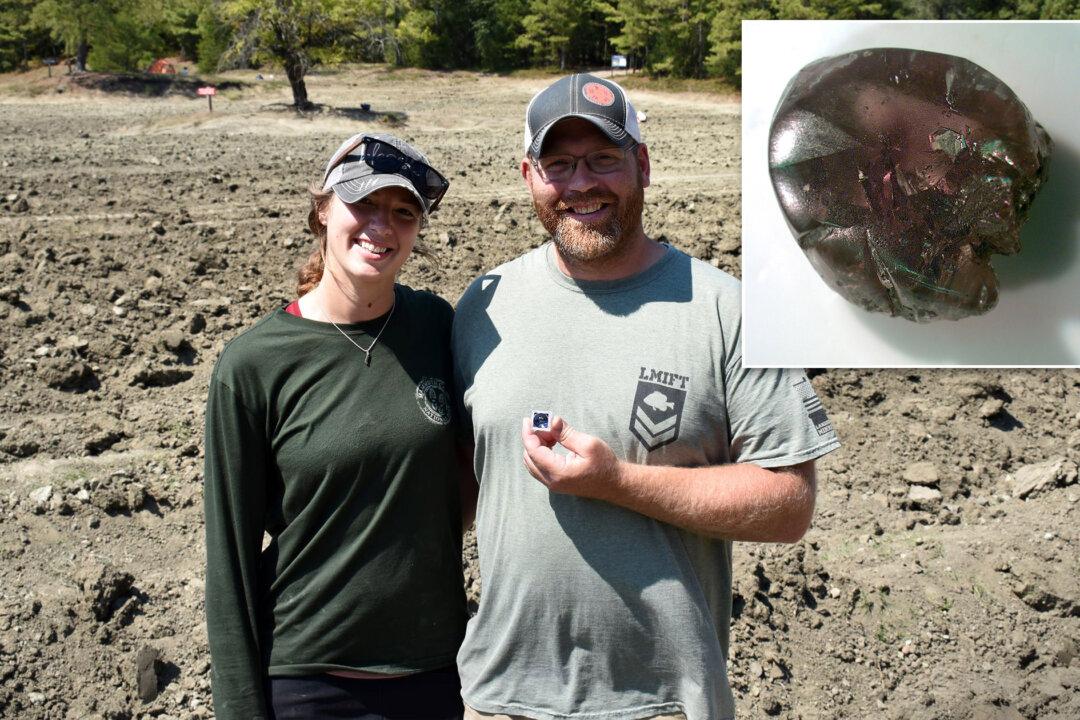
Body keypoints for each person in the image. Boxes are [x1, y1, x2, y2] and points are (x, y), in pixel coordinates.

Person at [451, 74, 841, 719]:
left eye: (603, 159)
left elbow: (789, 504)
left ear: (643, 165)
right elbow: (463, 489)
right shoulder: (483, 308)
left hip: (665, 703)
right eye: (558, 164)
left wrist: (619, 483)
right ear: (528, 176)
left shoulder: (728, 311)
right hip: (501, 698)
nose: (581, 184)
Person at [204, 133, 471, 720]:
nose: (382, 226)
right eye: (364, 203)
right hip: (310, 684)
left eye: (403, 212)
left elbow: (467, 473)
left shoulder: (436, 327)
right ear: (323, 209)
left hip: (435, 673)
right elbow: (229, 559)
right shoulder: (254, 364)